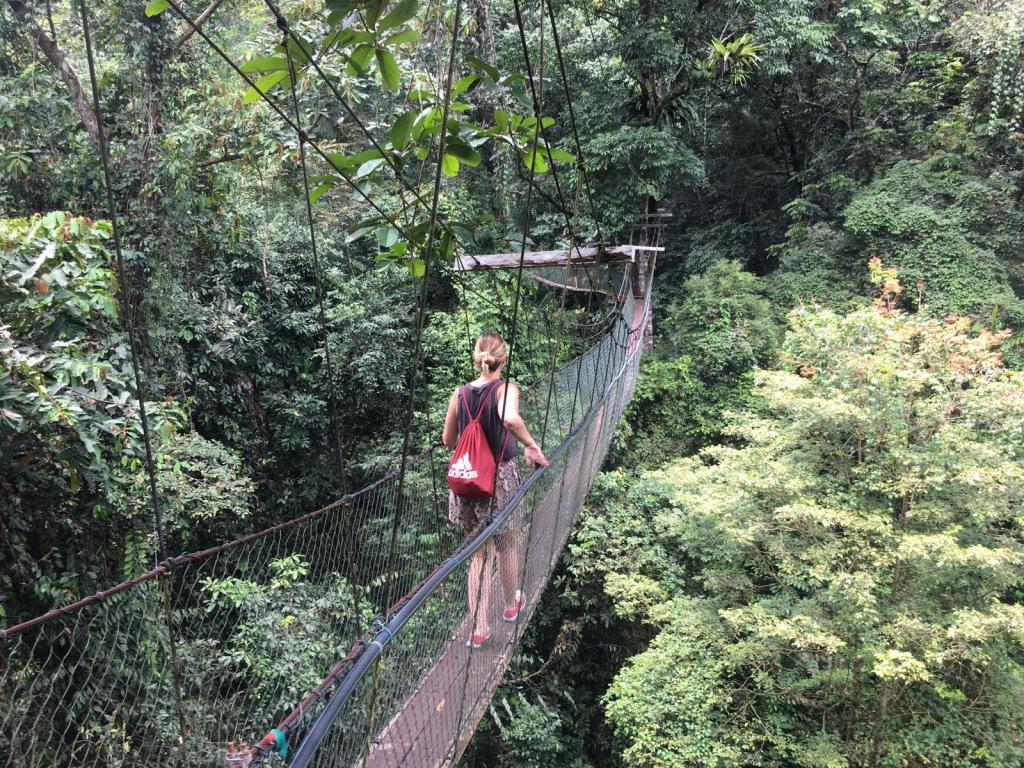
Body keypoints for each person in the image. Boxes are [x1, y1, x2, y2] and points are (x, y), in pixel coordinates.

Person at [443, 332, 549, 648]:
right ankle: (509, 605)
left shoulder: (459, 394)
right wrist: (531, 445)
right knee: (505, 544)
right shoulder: (506, 389)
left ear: (477, 358)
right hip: (497, 480)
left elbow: (448, 440)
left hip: (466, 480)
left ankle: (477, 629)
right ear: (503, 358)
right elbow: (510, 418)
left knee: (477, 554)